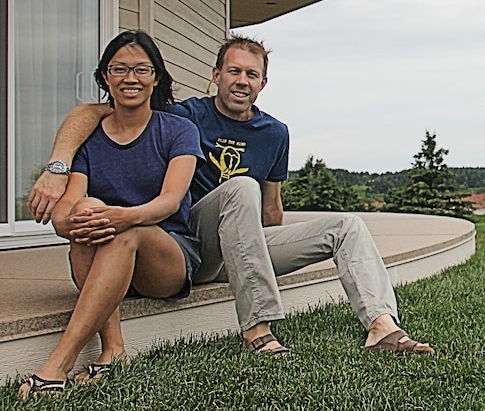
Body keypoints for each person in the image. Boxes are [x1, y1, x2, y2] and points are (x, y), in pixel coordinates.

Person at [28, 34, 433, 360]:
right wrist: (59, 163)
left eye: (252, 75)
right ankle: (257, 328)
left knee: (347, 226)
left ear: (263, 83)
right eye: (234, 71)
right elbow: (96, 112)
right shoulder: (186, 116)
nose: (242, 81)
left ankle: (382, 326)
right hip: (190, 238)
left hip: (237, 242)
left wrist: (257, 251)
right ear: (216, 75)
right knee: (242, 186)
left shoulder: (276, 132)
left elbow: (271, 208)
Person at [20, 31, 203, 399]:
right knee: (90, 209)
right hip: (106, 252)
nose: (129, 78)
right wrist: (76, 216)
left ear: (156, 77)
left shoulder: (178, 130)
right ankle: (114, 349)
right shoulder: (90, 141)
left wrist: (123, 216)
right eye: (118, 68)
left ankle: (58, 364)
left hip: (165, 257)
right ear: (105, 76)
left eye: (141, 69)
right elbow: (66, 214)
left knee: (124, 227)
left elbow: (169, 201)